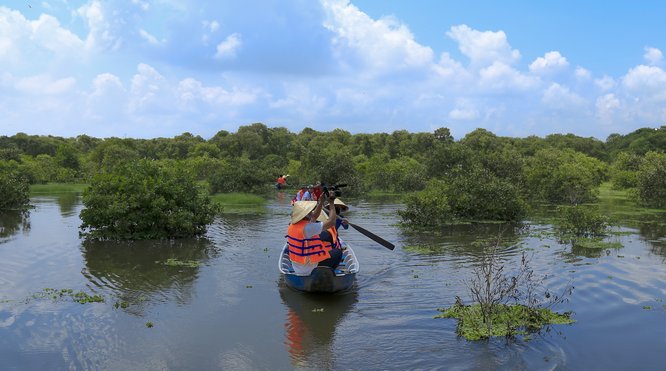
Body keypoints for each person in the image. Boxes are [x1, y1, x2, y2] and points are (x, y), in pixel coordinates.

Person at [286, 195, 341, 276]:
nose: (312, 212)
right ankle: (327, 275)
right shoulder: (308, 228)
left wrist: (321, 202)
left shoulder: (293, 225)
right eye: (309, 212)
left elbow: (315, 216)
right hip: (311, 269)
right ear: (305, 215)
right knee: (337, 252)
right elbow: (332, 222)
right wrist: (331, 203)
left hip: (299, 268)